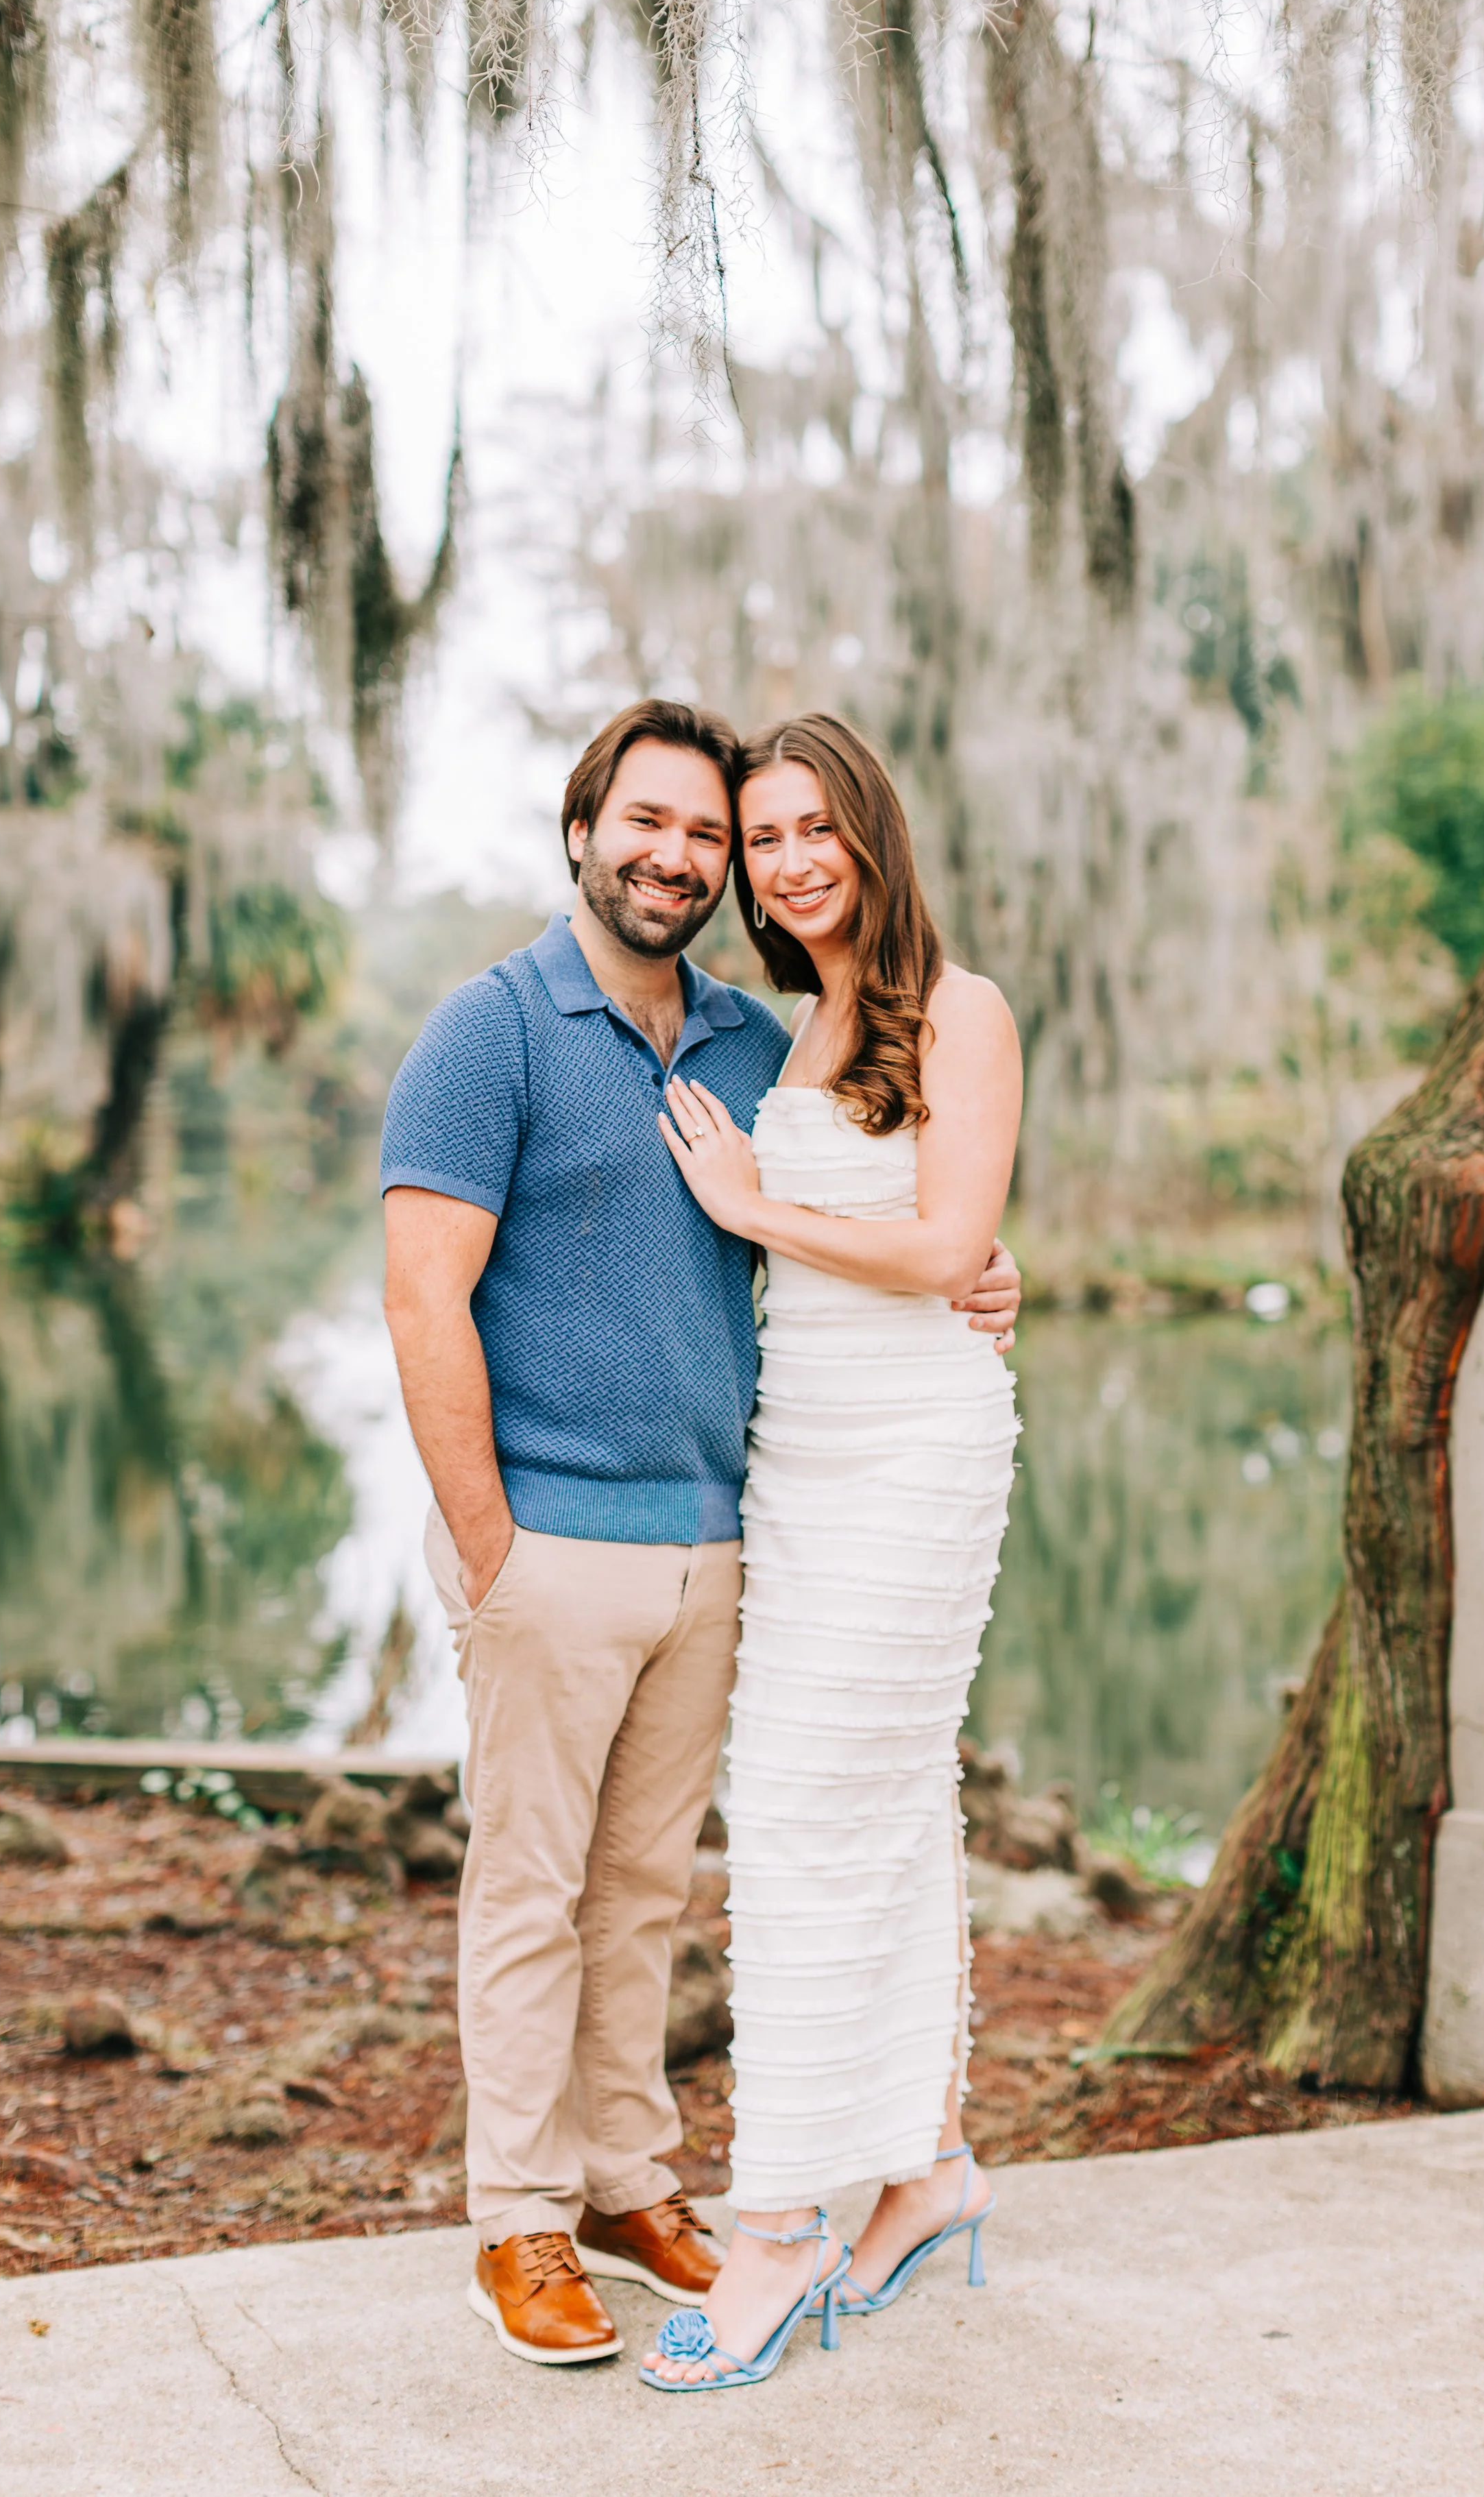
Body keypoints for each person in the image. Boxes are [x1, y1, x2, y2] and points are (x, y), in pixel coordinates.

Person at [378, 699, 1021, 2367]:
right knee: (529, 1887)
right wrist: (486, 1543)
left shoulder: (756, 1038)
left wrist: (980, 1274)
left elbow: (869, 1210)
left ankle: (626, 2181)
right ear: (582, 828)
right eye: (648, 823)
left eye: (709, 836)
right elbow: (421, 1299)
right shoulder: (490, 1031)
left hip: (729, 1533)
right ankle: (518, 2219)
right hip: (550, 1539)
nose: (682, 857)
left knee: (648, 1888)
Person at [641, 712, 1022, 2393]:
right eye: (765, 837)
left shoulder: (965, 1011)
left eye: (818, 830)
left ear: (871, 835)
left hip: (919, 1453)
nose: (791, 863)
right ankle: (928, 2168)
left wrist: (759, 1211)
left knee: (801, 1814)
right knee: (879, 1804)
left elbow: (946, 1241)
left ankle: (780, 2225)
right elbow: (919, 1241)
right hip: (800, 1453)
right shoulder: (788, 1033)